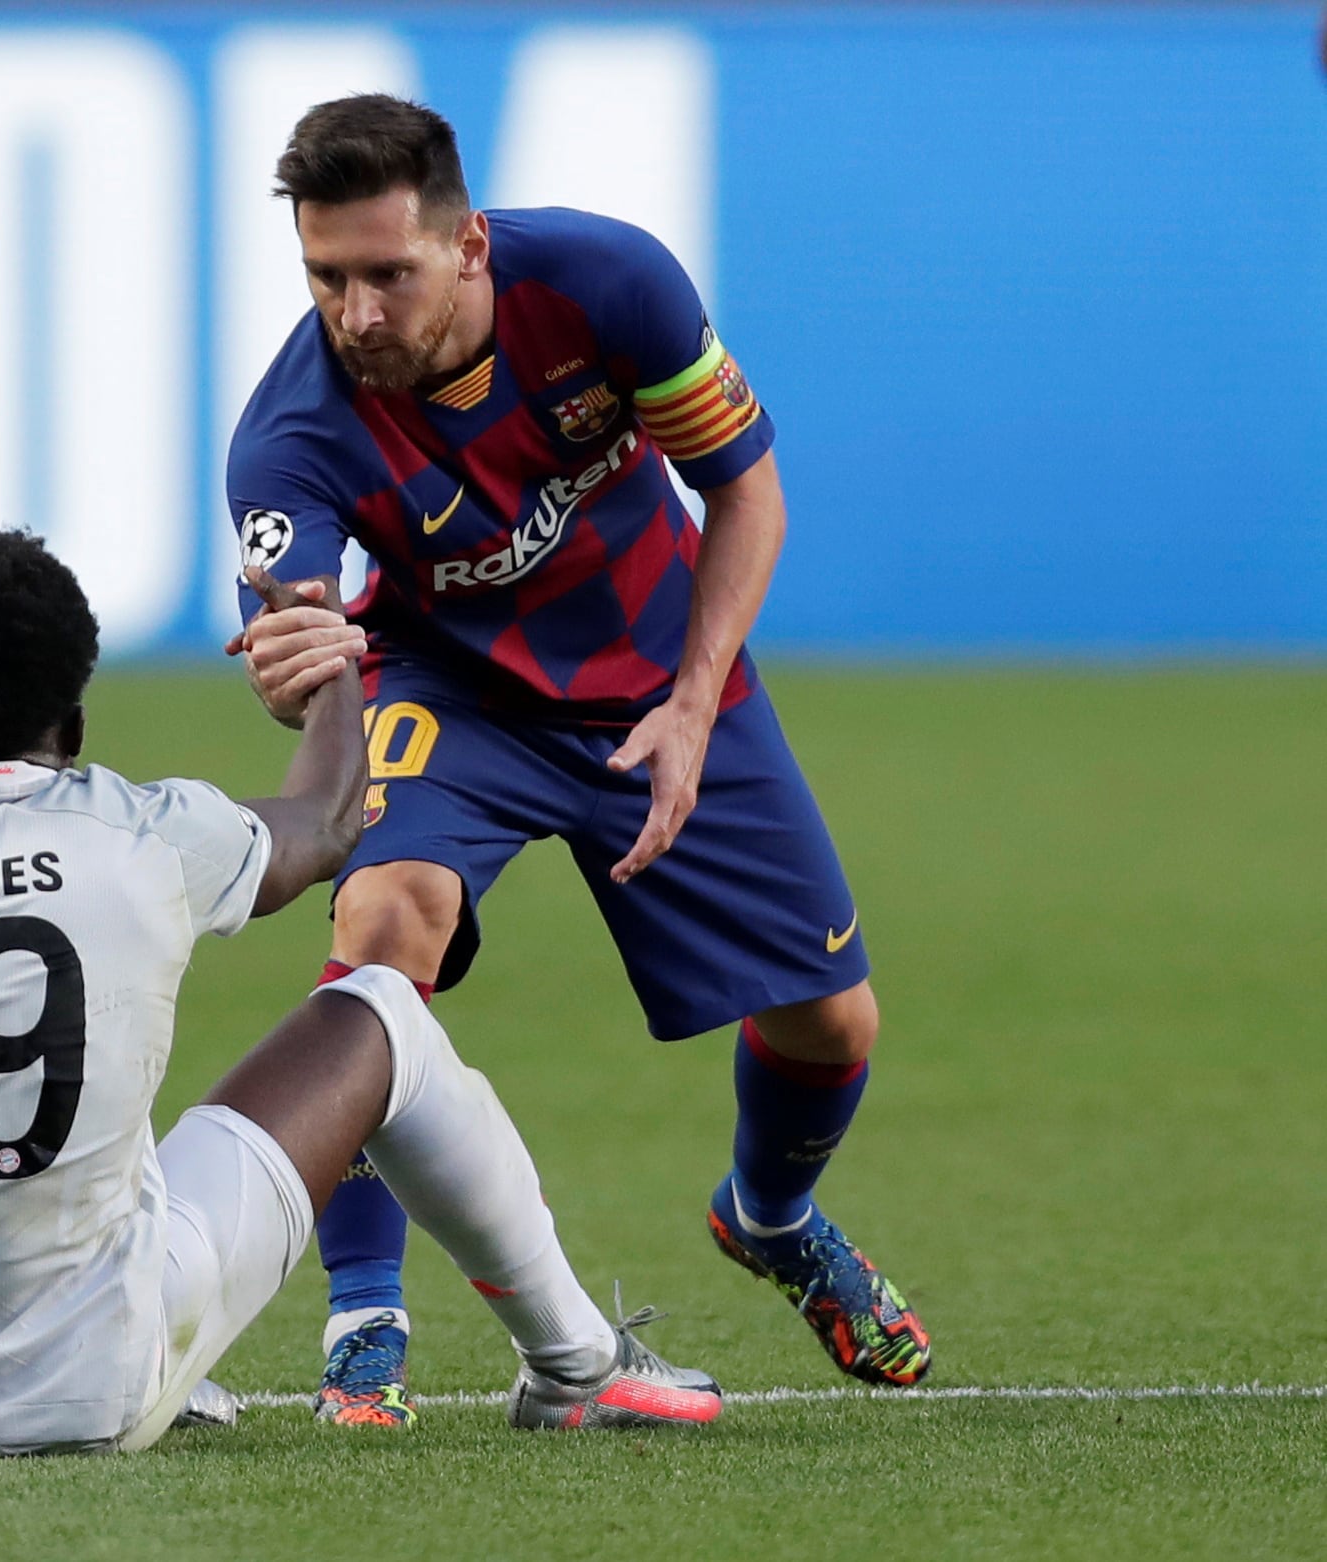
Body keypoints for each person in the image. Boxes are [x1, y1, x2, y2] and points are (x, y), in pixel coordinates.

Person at [0, 528, 722, 1456]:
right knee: (380, 1006)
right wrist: (329, 662)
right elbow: (330, 823)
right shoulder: (139, 828)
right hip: (106, 1383)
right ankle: (576, 1363)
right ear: (72, 721)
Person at [224, 94, 931, 1427]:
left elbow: (744, 488)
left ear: (469, 242)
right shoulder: (289, 439)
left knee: (830, 1020)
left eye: (389, 273)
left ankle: (768, 1215)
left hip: (661, 673)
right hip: (449, 689)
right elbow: (308, 663)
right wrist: (294, 679)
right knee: (384, 929)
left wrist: (694, 700)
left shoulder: (610, 284)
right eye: (326, 277)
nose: (357, 314)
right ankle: (363, 1315)